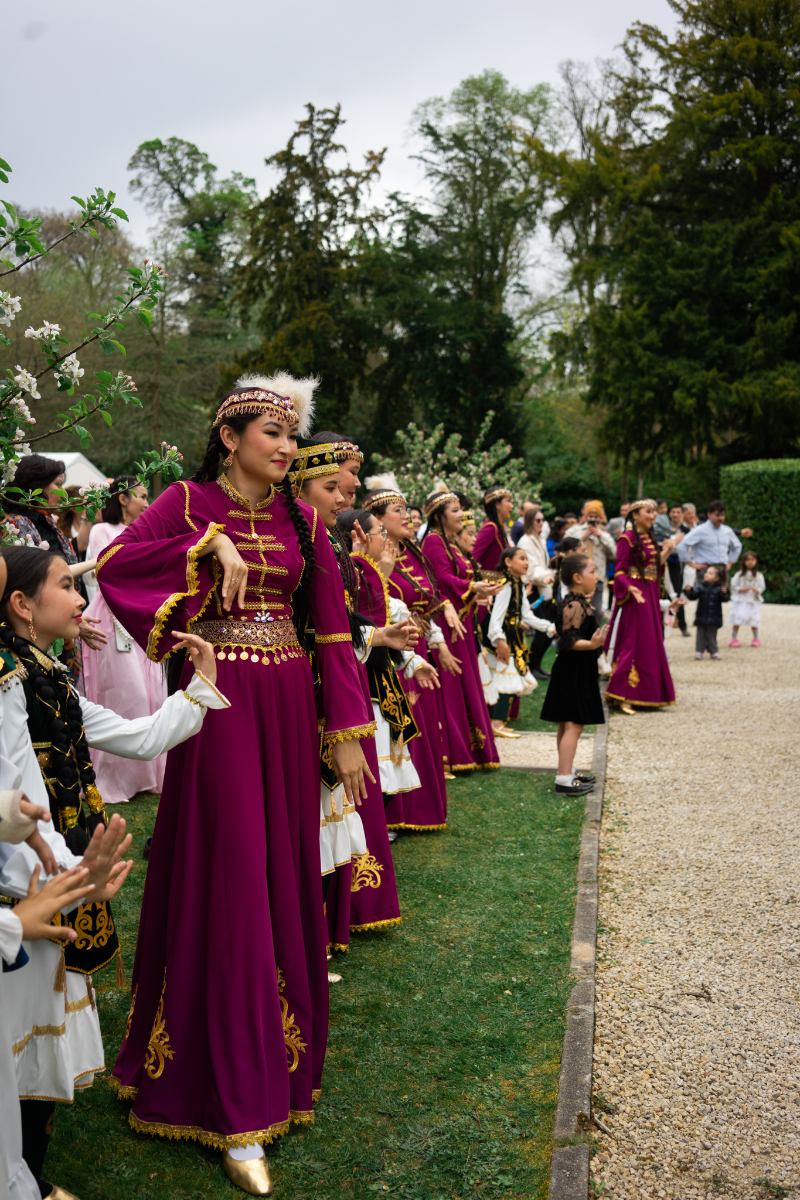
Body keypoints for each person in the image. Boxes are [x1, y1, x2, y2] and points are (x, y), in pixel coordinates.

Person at [105, 373, 376, 1195]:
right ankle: (229, 1102)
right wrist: (203, 547)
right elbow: (114, 562)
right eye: (272, 434)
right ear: (230, 438)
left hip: (288, 708)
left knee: (275, 874)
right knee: (228, 877)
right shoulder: (185, 500)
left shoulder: (304, 518)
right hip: (218, 707)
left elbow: (329, 627)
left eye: (292, 437)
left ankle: (274, 1070)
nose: (287, 449)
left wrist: (349, 734)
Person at [0, 544, 226, 1196]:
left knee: (38, 1047)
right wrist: (76, 876)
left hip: (55, 880)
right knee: (23, 1047)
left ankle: (31, 1181)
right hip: (31, 887)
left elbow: (140, 736)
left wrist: (200, 689)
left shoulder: (47, 678)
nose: (80, 600)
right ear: (22, 604)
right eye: (67, 586)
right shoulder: (11, 686)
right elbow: (20, 807)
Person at [82, 477, 169, 804]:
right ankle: (121, 775)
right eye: (142, 496)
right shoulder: (102, 530)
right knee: (126, 694)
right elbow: (103, 574)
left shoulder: (144, 532)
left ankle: (151, 774)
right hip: (111, 617)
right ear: (123, 498)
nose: (147, 503)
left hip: (143, 616)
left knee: (153, 695)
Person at [421, 492, 501, 772]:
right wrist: (472, 589)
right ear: (439, 516)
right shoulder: (433, 540)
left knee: (466, 682)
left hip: (462, 621)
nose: (461, 515)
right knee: (453, 684)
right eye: (455, 510)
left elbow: (459, 577)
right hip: (447, 622)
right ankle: (455, 752)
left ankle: (472, 749)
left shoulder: (450, 543)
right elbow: (440, 579)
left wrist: (478, 591)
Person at [604, 499, 680, 713]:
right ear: (635, 515)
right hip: (635, 596)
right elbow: (619, 571)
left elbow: (655, 567)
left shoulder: (649, 537)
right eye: (649, 512)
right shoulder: (626, 539)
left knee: (651, 642)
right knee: (633, 643)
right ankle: (623, 695)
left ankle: (649, 694)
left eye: (654, 512)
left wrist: (669, 549)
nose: (653, 516)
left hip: (649, 591)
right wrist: (630, 588)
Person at [539, 552, 605, 796]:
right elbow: (568, 640)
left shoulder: (578, 601)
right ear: (578, 577)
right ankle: (564, 779)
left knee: (567, 723)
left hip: (576, 669)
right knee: (574, 725)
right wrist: (593, 644)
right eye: (593, 571)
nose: (597, 576)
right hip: (573, 670)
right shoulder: (574, 604)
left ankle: (567, 770)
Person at [485, 546, 555, 737]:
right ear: (508, 562)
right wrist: (499, 640)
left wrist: (549, 627)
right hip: (502, 639)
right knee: (506, 678)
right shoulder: (506, 585)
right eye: (522, 559)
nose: (526, 563)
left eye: (527, 559)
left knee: (508, 677)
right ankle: (496, 723)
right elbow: (496, 618)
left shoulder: (518, 584)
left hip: (512, 638)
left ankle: (497, 721)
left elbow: (526, 615)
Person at [516, 507, 556, 680]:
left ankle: (536, 664)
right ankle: (532, 666)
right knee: (542, 628)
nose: (541, 523)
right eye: (537, 520)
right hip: (531, 589)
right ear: (530, 522)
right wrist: (546, 576)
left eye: (542, 520)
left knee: (550, 627)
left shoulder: (538, 539)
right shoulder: (525, 541)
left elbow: (542, 565)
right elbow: (530, 568)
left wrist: (550, 573)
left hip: (542, 588)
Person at [571, 501, 616, 620]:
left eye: (596, 517)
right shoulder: (576, 531)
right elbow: (568, 550)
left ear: (600, 518)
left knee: (596, 612)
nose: (593, 519)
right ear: (586, 517)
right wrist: (583, 538)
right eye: (590, 516)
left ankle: (593, 637)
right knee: (578, 611)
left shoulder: (605, 534)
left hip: (597, 577)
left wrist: (601, 537)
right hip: (578, 576)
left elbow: (615, 553)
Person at [677, 500, 742, 575]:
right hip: (705, 570)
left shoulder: (727, 531)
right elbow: (681, 545)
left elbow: (737, 546)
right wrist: (691, 564)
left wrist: (730, 562)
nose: (720, 518)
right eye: (717, 515)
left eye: (722, 515)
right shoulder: (700, 530)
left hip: (722, 569)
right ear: (709, 514)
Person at [684, 565, 729, 659]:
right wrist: (689, 591)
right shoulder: (701, 587)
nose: (706, 575)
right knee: (700, 635)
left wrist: (726, 593)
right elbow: (693, 596)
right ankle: (699, 651)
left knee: (711, 635)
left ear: (717, 578)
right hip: (701, 616)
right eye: (707, 572)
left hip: (714, 617)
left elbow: (725, 599)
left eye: (710, 573)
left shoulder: (720, 589)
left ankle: (713, 651)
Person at [472, 486, 513, 579]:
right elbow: (473, 557)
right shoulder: (491, 527)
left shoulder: (498, 527)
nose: (512, 506)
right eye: (508, 501)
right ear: (497, 505)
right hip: (490, 588)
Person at [728, 551, 765, 647]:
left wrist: (757, 590)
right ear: (743, 562)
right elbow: (733, 586)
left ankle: (756, 638)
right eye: (748, 560)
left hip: (752, 600)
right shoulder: (739, 575)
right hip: (741, 600)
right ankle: (733, 639)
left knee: (754, 619)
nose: (750, 562)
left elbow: (762, 587)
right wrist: (741, 589)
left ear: (756, 561)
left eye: (752, 560)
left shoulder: (758, 575)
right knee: (737, 619)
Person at [663, 504, 689, 636]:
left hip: (677, 564)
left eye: (677, 512)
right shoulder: (662, 527)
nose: (675, 515)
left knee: (677, 592)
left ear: (681, 514)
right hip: (663, 560)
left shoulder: (685, 530)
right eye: (672, 512)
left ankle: (682, 625)